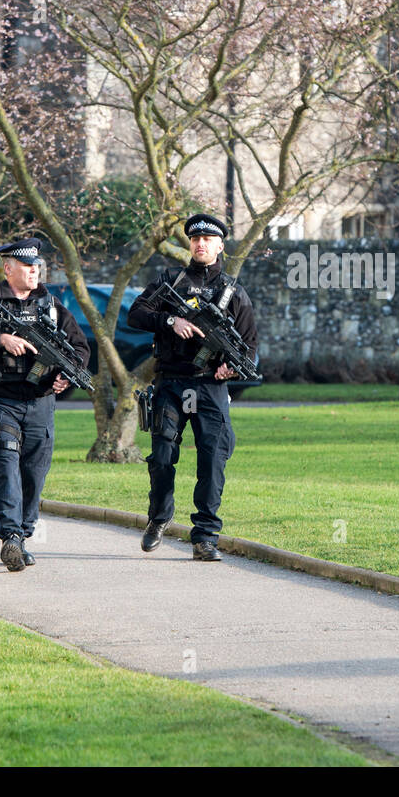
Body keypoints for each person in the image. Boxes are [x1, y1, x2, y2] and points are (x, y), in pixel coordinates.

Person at [127, 214, 258, 562]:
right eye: (195, 238)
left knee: (213, 460)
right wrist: (171, 321)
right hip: (171, 382)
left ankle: (205, 536)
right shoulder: (170, 280)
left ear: (220, 246)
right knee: (163, 457)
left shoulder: (233, 291)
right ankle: (159, 517)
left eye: (207, 239)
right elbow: (135, 315)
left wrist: (231, 368)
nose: (200, 244)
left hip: (210, 388)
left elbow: (250, 347)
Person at [0, 238, 90, 572]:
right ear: (8, 268)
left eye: (37, 267)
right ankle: (10, 538)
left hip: (41, 402)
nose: (34, 272)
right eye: (27, 266)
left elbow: (79, 349)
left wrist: (67, 377)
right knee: (6, 466)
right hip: (2, 399)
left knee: (33, 473)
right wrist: (0, 339)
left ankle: (23, 535)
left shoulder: (51, 304)